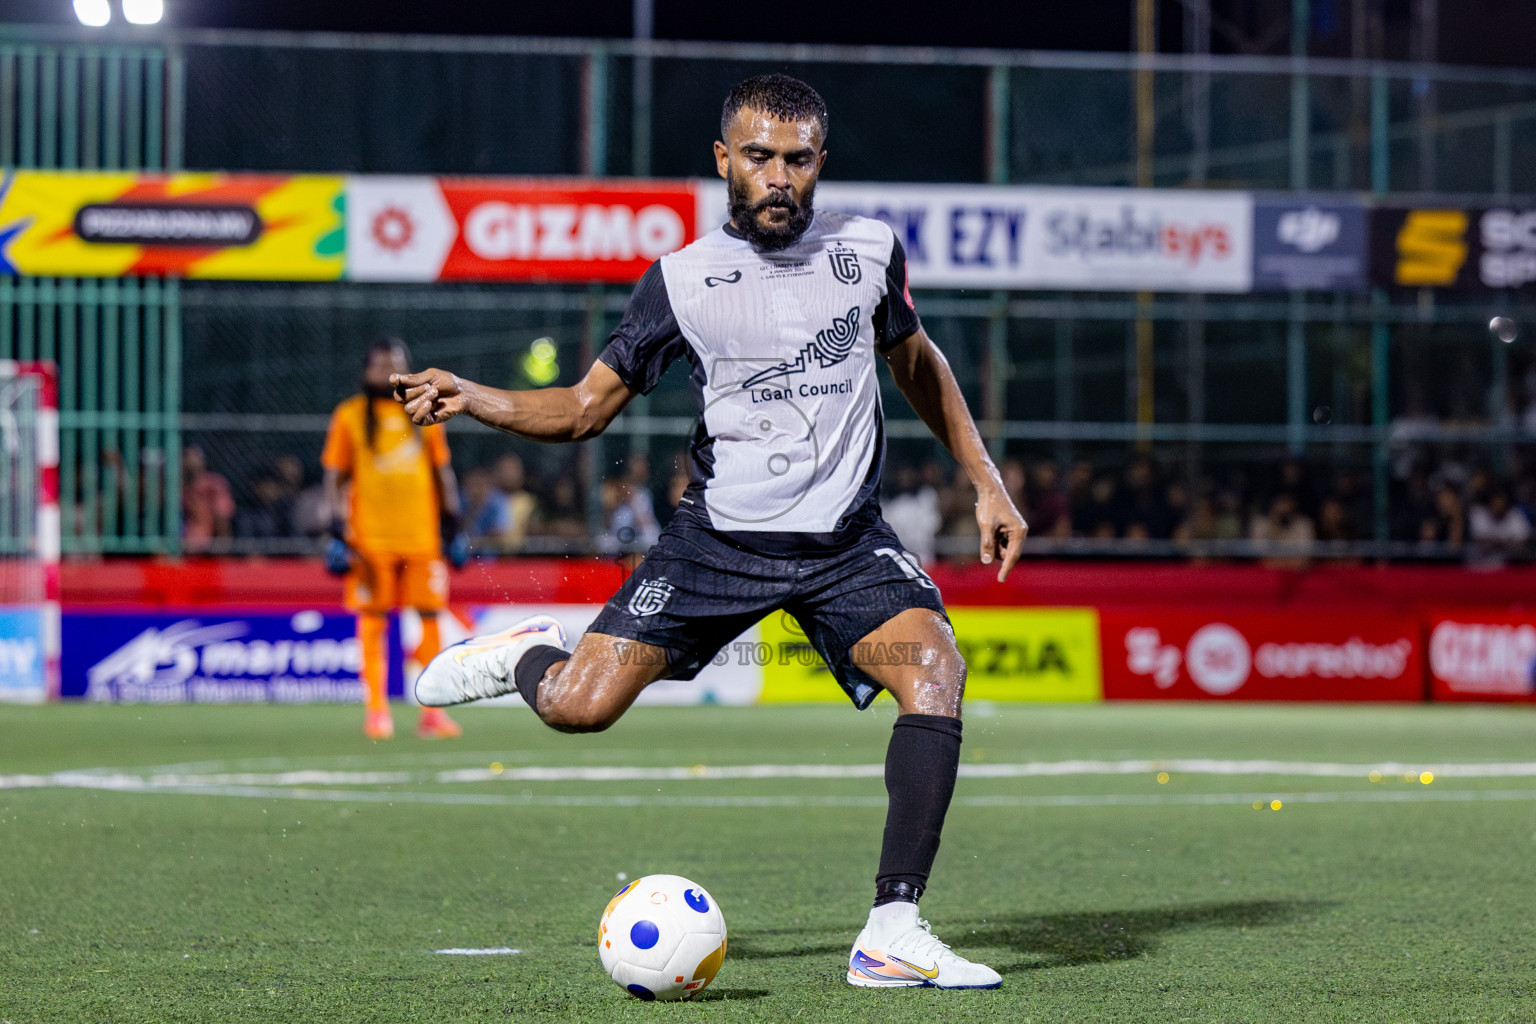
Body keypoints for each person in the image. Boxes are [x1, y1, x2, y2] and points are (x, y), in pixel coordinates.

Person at [393, 74, 1025, 990]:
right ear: (725, 160)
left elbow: (917, 362)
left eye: (798, 160)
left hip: (846, 542)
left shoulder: (871, 253)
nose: (779, 177)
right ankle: (527, 655)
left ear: (820, 164)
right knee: (578, 707)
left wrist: (987, 482)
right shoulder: (682, 281)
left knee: (935, 674)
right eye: (760, 157)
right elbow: (580, 410)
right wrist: (475, 398)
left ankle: (893, 929)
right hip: (717, 543)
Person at [321, 337, 467, 741]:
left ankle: (433, 713)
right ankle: (376, 711)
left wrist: (453, 526)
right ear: (366, 371)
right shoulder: (349, 416)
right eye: (381, 365)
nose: (389, 373)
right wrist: (335, 530)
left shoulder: (424, 412)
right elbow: (333, 477)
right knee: (372, 622)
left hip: (422, 540)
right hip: (370, 542)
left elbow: (443, 474)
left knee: (431, 619)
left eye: (397, 364)